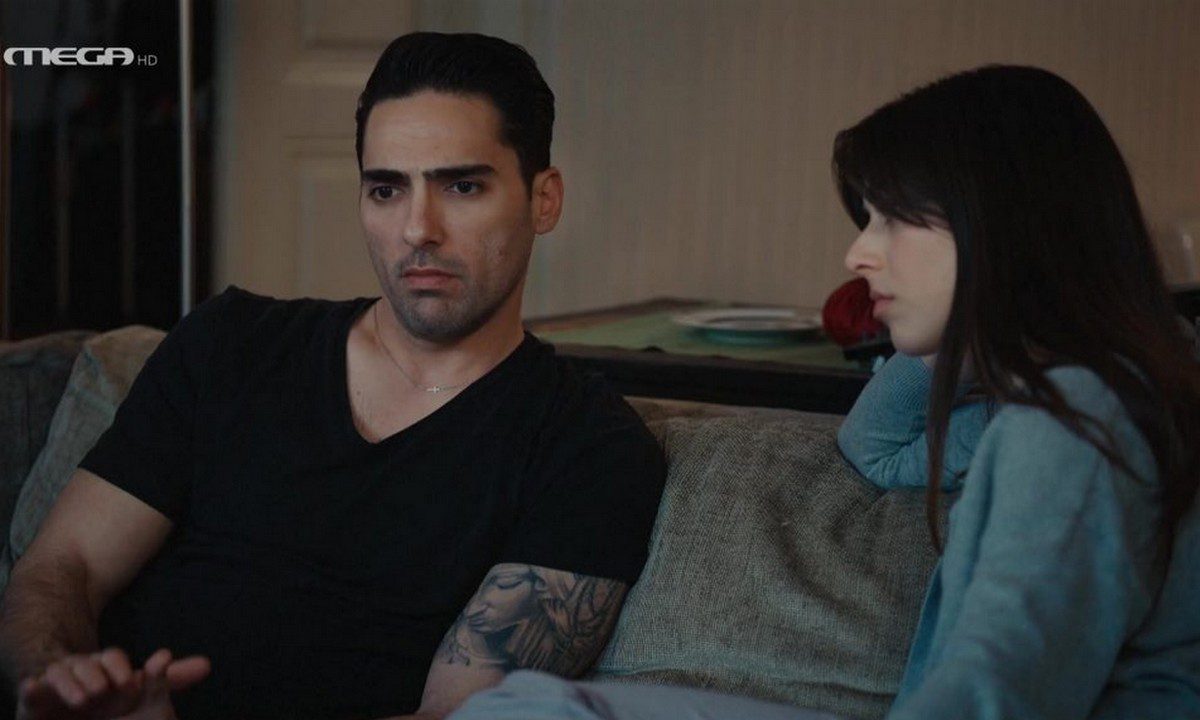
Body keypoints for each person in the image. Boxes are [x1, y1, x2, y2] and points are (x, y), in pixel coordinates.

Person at [445, 65, 1200, 720]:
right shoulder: (1073, 395)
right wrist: (977, 328)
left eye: (894, 219)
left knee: (529, 711)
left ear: (1005, 222)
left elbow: (996, 696)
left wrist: (984, 304)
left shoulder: (1076, 417)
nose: (858, 253)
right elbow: (875, 450)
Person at [0, 32, 667, 720]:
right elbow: (62, 566)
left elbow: (454, 716)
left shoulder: (588, 447)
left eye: (462, 186)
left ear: (543, 199)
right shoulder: (231, 342)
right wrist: (61, 681)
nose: (417, 229)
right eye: (387, 189)